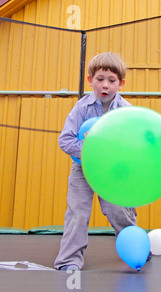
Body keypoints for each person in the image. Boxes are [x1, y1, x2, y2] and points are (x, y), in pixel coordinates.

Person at [55, 52, 137, 271]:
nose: (105, 86)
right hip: (83, 168)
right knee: (77, 211)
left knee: (118, 211)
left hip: (112, 170)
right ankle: (69, 259)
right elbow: (65, 139)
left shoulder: (126, 111)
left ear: (121, 84)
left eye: (112, 81)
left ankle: (135, 246)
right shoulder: (81, 108)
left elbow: (132, 144)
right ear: (90, 80)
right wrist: (90, 151)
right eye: (100, 79)